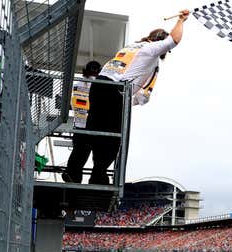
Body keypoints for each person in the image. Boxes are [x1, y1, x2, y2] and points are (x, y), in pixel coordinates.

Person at [64, 10, 190, 185]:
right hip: (114, 90)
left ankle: (73, 172)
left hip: (99, 86)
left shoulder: (131, 46)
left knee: (91, 129)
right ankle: (98, 176)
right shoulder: (151, 49)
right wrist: (181, 20)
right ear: (158, 42)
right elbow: (174, 40)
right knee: (112, 138)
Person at [63, 60, 102, 184]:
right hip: (91, 125)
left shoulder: (78, 82)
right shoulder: (99, 84)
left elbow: (73, 102)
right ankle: (89, 180)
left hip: (80, 125)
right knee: (90, 156)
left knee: (78, 154)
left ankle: (72, 177)